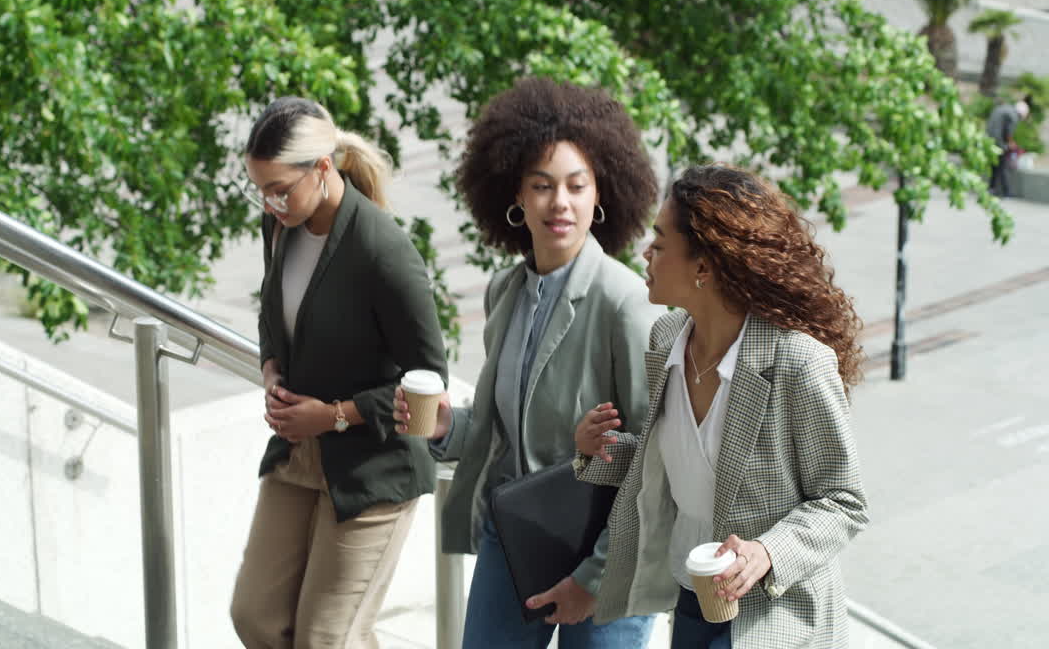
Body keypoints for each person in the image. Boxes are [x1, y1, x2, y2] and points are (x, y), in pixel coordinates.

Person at [394, 77, 660, 649]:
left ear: (600, 194)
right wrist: (445, 426)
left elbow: (653, 461)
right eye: (541, 186)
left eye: (575, 185)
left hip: (605, 548)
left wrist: (593, 578)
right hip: (516, 533)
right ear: (515, 196)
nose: (558, 203)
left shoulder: (625, 301)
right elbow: (506, 429)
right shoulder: (504, 293)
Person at [574, 164, 870, 648]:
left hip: (774, 615)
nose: (646, 253)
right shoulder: (666, 340)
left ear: (703, 267)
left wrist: (766, 551)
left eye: (661, 242)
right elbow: (676, 464)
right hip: (694, 596)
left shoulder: (796, 362)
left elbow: (844, 501)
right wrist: (598, 450)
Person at [230, 97, 448, 649]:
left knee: (327, 639)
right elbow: (270, 308)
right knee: (255, 617)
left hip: (375, 465)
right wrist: (271, 368)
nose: (270, 202)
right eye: (260, 189)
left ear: (323, 169)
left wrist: (332, 417)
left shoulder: (383, 250)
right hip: (298, 453)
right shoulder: (280, 224)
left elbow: (428, 381)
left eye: (280, 188)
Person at [986, 97, 1031, 198]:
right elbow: (1008, 133)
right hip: (999, 143)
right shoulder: (1013, 116)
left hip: (990, 139)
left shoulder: (1004, 108)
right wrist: (1011, 144)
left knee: (995, 166)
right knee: (1003, 166)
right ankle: (1006, 191)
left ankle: (992, 188)